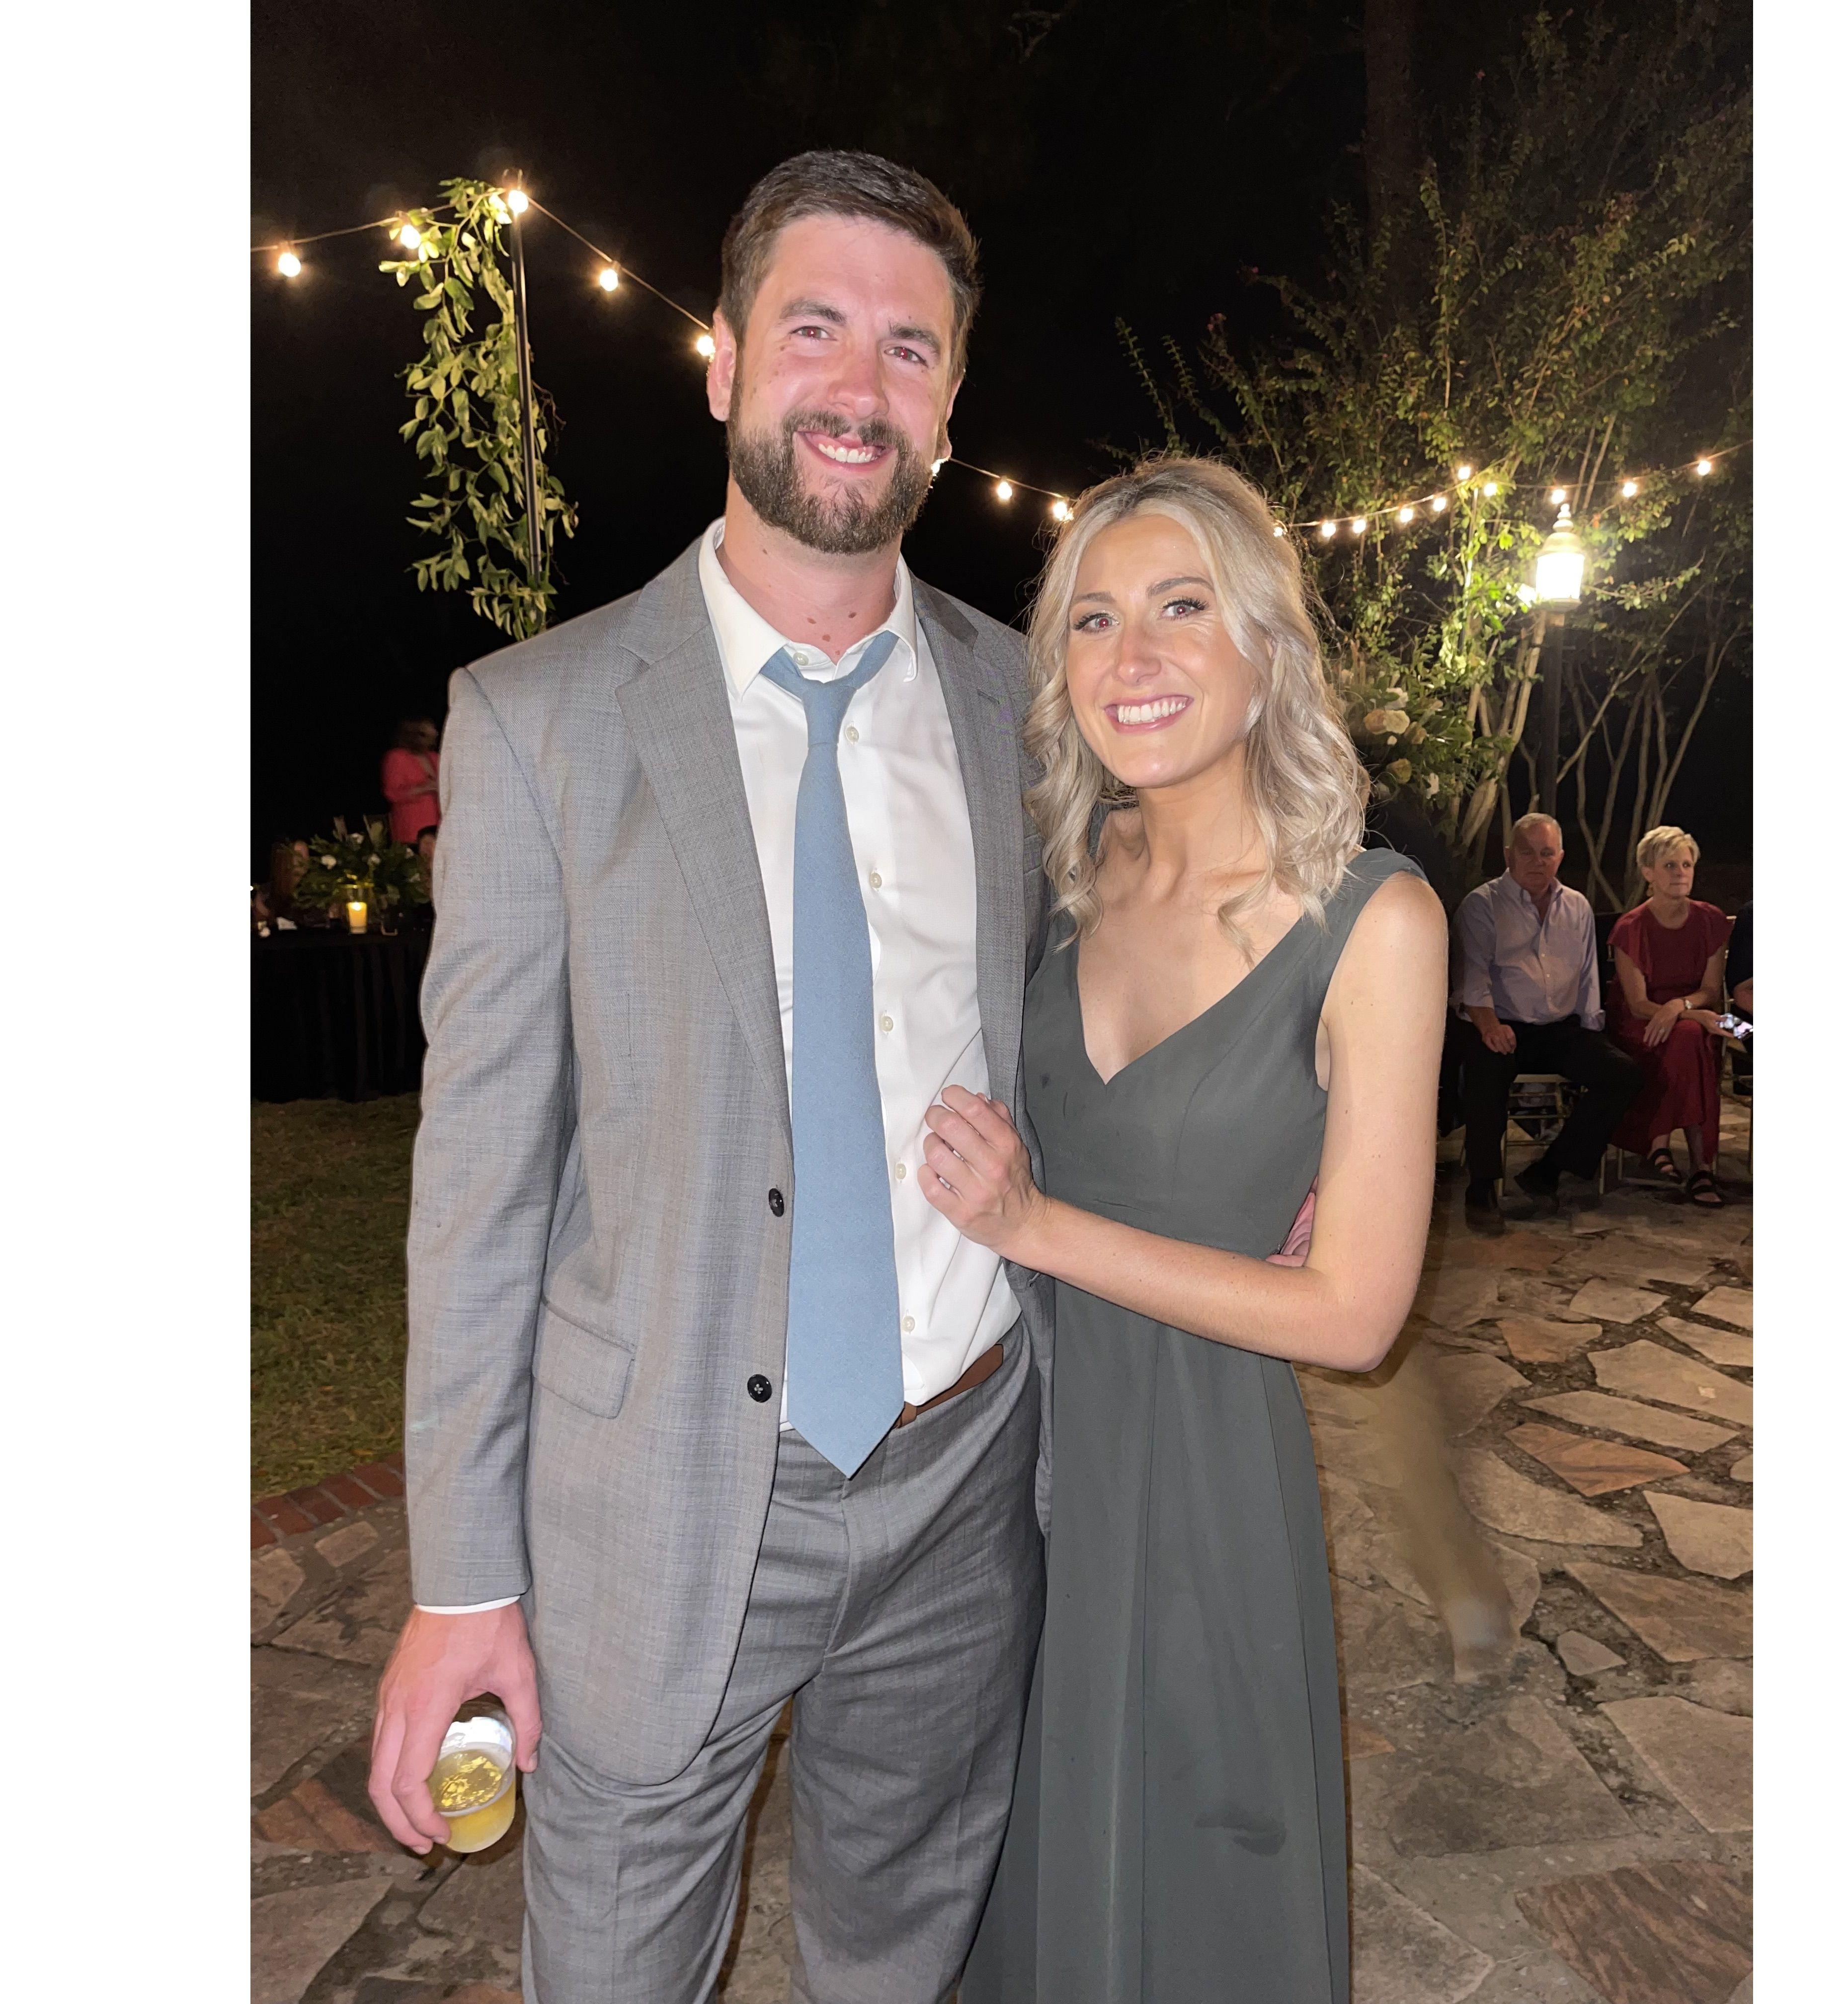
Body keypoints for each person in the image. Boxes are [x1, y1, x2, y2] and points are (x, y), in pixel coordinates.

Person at [369, 153, 1055, 2003]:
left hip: (963, 1474)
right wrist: (460, 1580)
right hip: (658, 1488)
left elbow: (1109, 1012)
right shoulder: (537, 721)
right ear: (725, 361)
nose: (860, 386)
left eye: (909, 348)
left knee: (905, 1959)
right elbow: (480, 1184)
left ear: (950, 405)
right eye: (813, 328)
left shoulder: (1025, 708)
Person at [924, 458, 1446, 2003]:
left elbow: (1354, 1313)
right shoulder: (1060, 880)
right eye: (1092, 620)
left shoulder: (1373, 919)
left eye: (1181, 608)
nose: (1131, 657)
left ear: (1265, 649)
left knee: (1198, 1880)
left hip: (1200, 1479)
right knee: (1014, 1872)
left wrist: (1039, 1224)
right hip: (1006, 1469)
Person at [1449, 812, 1642, 1234]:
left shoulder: (1578, 906)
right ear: (1509, 855)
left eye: (1547, 853)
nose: (1538, 862)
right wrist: (1489, 1026)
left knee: (1623, 1074)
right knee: (1484, 1070)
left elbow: (1589, 975)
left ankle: (1548, 1171)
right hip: (1502, 1024)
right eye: (1528, 852)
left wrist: (1593, 1030)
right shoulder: (1482, 905)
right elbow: (1472, 977)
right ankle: (1482, 1188)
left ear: (1560, 857)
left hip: (1560, 1028)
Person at [1608, 825, 1732, 1205]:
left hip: (1700, 1014)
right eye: (1669, 865)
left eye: (1686, 865)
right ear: (1648, 872)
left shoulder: (1711, 920)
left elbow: (1711, 992)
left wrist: (1682, 1008)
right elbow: (1637, 1004)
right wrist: (1684, 1015)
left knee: (1717, 1035)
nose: (1680, 873)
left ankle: (1657, 1143)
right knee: (1690, 1041)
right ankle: (1701, 1166)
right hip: (1641, 1022)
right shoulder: (1631, 928)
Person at [381, 718, 441, 844]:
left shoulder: (435, 757)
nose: (436, 733)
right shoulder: (397, 757)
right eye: (430, 730)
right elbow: (392, 793)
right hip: (413, 828)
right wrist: (425, 788)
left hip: (439, 827)